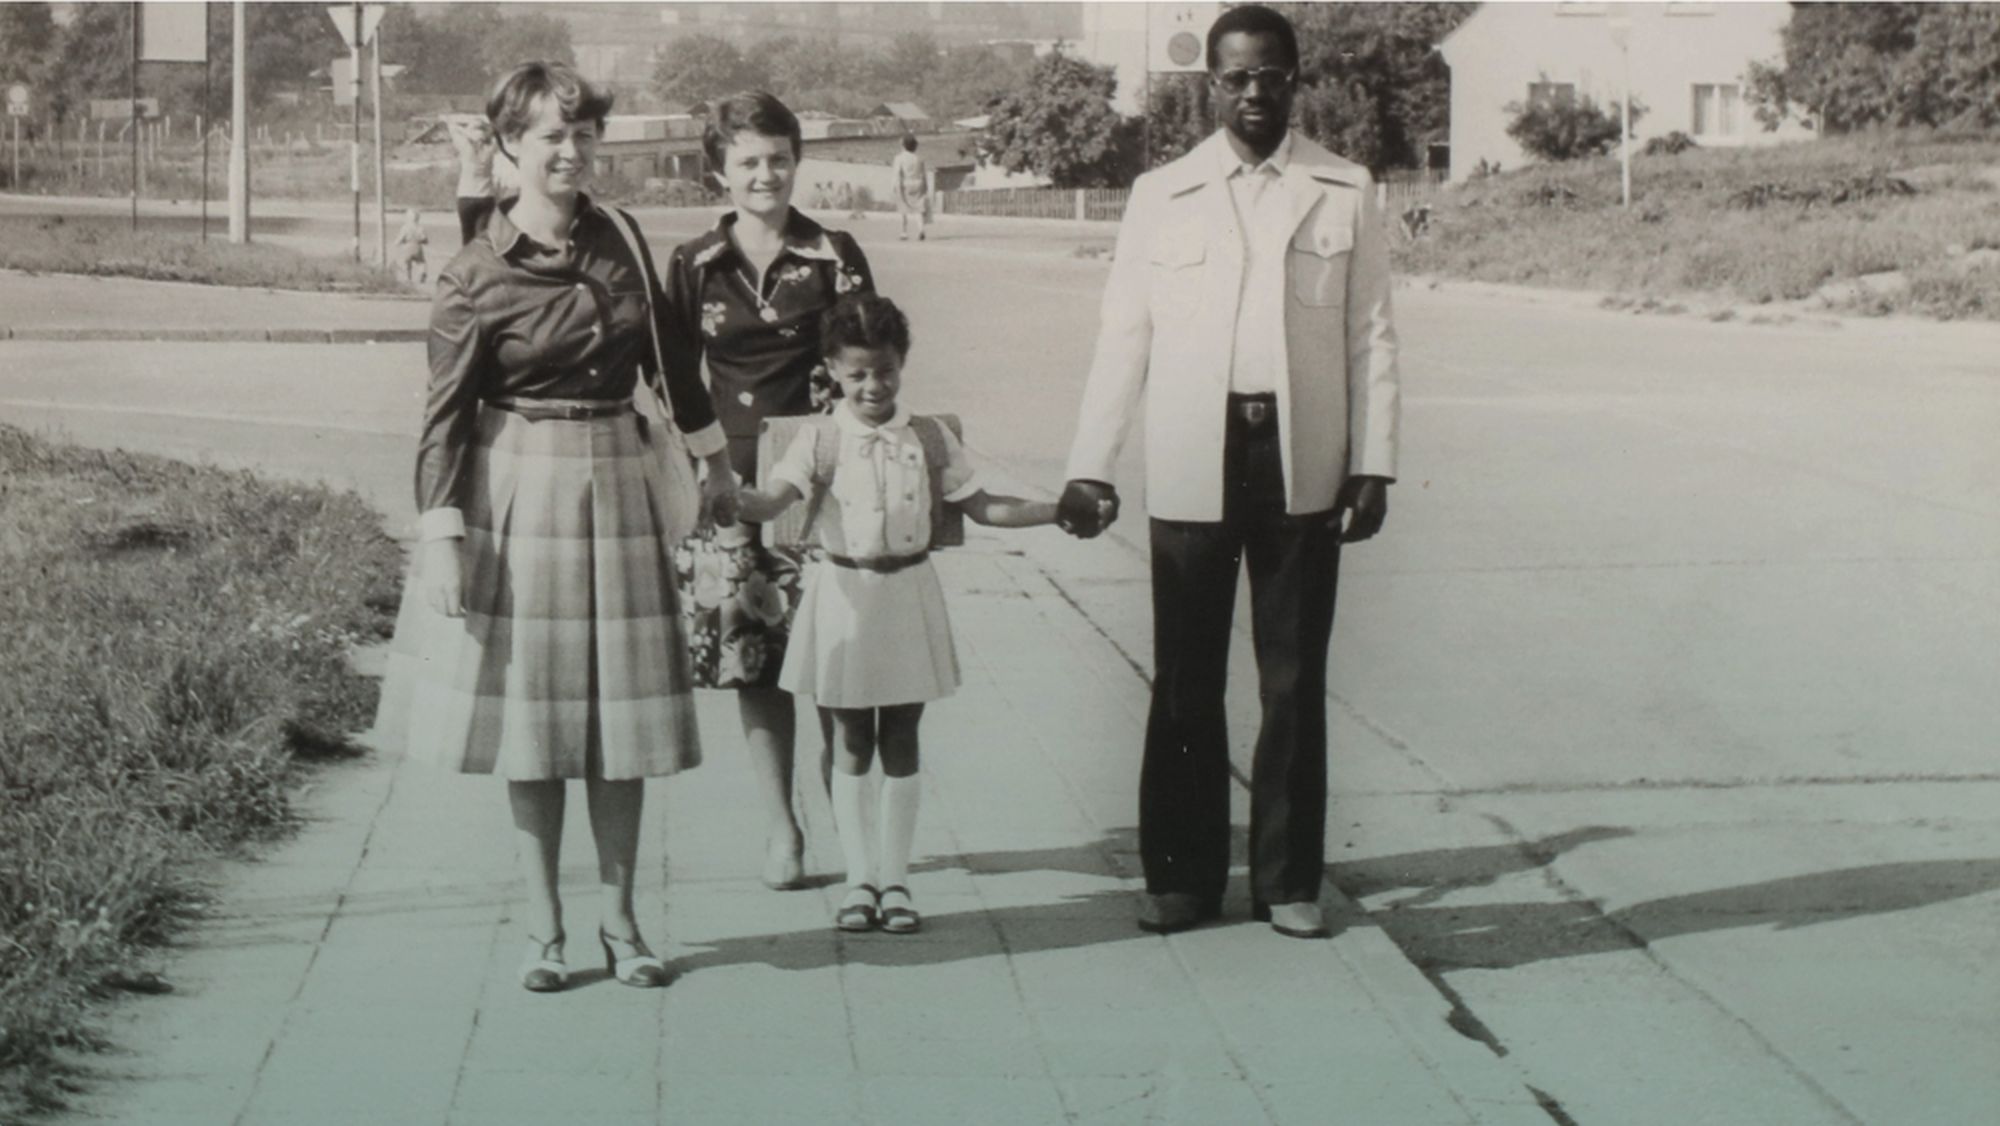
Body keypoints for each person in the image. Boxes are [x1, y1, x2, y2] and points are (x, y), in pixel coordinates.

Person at [379, 62, 737, 992]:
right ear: (508, 148)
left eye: (582, 134)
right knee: (533, 723)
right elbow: (443, 421)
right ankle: (545, 927)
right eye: (548, 136)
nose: (570, 151)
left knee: (622, 717)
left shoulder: (619, 236)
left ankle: (622, 923)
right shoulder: (473, 272)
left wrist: (716, 464)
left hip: (616, 478)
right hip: (518, 491)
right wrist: (444, 534)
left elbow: (671, 362)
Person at [1056, 4, 1400, 941]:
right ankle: (1182, 876)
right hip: (1190, 456)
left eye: (1273, 75)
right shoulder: (1161, 194)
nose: (1256, 92)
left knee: (1293, 677)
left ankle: (1288, 881)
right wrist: (1091, 464)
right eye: (1238, 76)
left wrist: (1374, 464)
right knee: (1185, 676)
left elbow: (1369, 335)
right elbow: (1123, 336)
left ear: (1296, 79)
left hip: (1301, 458)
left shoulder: (1343, 188)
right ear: (1210, 83)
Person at [735, 293, 1057, 933]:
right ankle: (860, 881)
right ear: (830, 369)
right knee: (852, 740)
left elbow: (983, 506)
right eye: (856, 373)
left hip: (908, 593)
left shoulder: (929, 438)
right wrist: (733, 501)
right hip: (844, 600)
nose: (872, 386)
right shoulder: (819, 438)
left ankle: (897, 881)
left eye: (884, 370)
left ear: (901, 364)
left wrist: (1057, 510)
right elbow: (774, 501)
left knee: (903, 738)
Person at [659, 91, 876, 891]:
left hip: (820, 485)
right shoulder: (691, 265)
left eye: (778, 158)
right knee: (756, 664)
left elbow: (868, 357)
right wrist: (699, 470)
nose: (765, 174)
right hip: (730, 485)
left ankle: (851, 832)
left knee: (835, 664)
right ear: (718, 170)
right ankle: (782, 830)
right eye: (747, 160)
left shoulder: (835, 254)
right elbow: (673, 376)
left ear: (797, 162)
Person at [446, 114, 499, 245]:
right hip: (486, 196)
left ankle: (467, 263)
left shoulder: (466, 147)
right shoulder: (490, 148)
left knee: (467, 236)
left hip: (466, 196)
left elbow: (451, 126)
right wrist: (487, 125)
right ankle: (482, 262)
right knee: (482, 236)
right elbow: (499, 131)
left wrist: (467, 131)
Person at [891, 135, 929, 241]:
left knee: (903, 209)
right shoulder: (919, 159)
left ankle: (904, 232)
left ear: (903, 146)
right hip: (918, 184)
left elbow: (897, 174)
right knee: (919, 209)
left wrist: (895, 186)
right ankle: (921, 229)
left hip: (905, 184)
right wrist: (925, 188)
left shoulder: (899, 158)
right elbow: (923, 175)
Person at [392, 207, 428, 284]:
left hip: (407, 247)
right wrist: (424, 241)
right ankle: (422, 273)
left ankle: (408, 278)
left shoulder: (405, 227)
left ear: (407, 218)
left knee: (407, 263)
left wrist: (396, 243)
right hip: (417, 247)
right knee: (421, 262)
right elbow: (424, 238)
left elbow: (400, 238)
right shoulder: (419, 227)